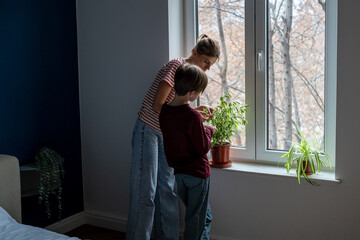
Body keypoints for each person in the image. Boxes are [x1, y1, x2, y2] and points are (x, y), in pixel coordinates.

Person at [126, 34, 220, 240]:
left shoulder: (187, 76)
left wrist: (192, 111)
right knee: (146, 193)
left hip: (165, 135)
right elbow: (158, 104)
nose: (207, 68)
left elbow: (173, 106)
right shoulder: (176, 66)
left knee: (167, 191)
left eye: (211, 65)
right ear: (195, 52)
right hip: (149, 130)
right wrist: (188, 116)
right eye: (206, 62)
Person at [159, 63, 215, 240]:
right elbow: (203, 147)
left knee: (203, 216)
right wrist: (209, 130)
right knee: (196, 220)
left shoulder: (165, 112)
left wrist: (198, 123)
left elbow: (178, 135)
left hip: (179, 175)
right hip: (197, 175)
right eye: (199, 92)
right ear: (191, 93)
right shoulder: (193, 117)